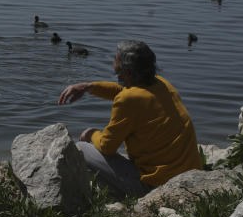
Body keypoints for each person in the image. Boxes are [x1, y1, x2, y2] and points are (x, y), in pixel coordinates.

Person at [58, 40, 202, 197]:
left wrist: (91, 133)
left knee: (81, 148)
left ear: (126, 71)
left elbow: (107, 146)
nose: (113, 62)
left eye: (115, 58)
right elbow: (125, 91)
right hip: (191, 176)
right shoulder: (162, 84)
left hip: (156, 186)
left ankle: (96, 197)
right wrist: (89, 87)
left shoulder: (128, 99)